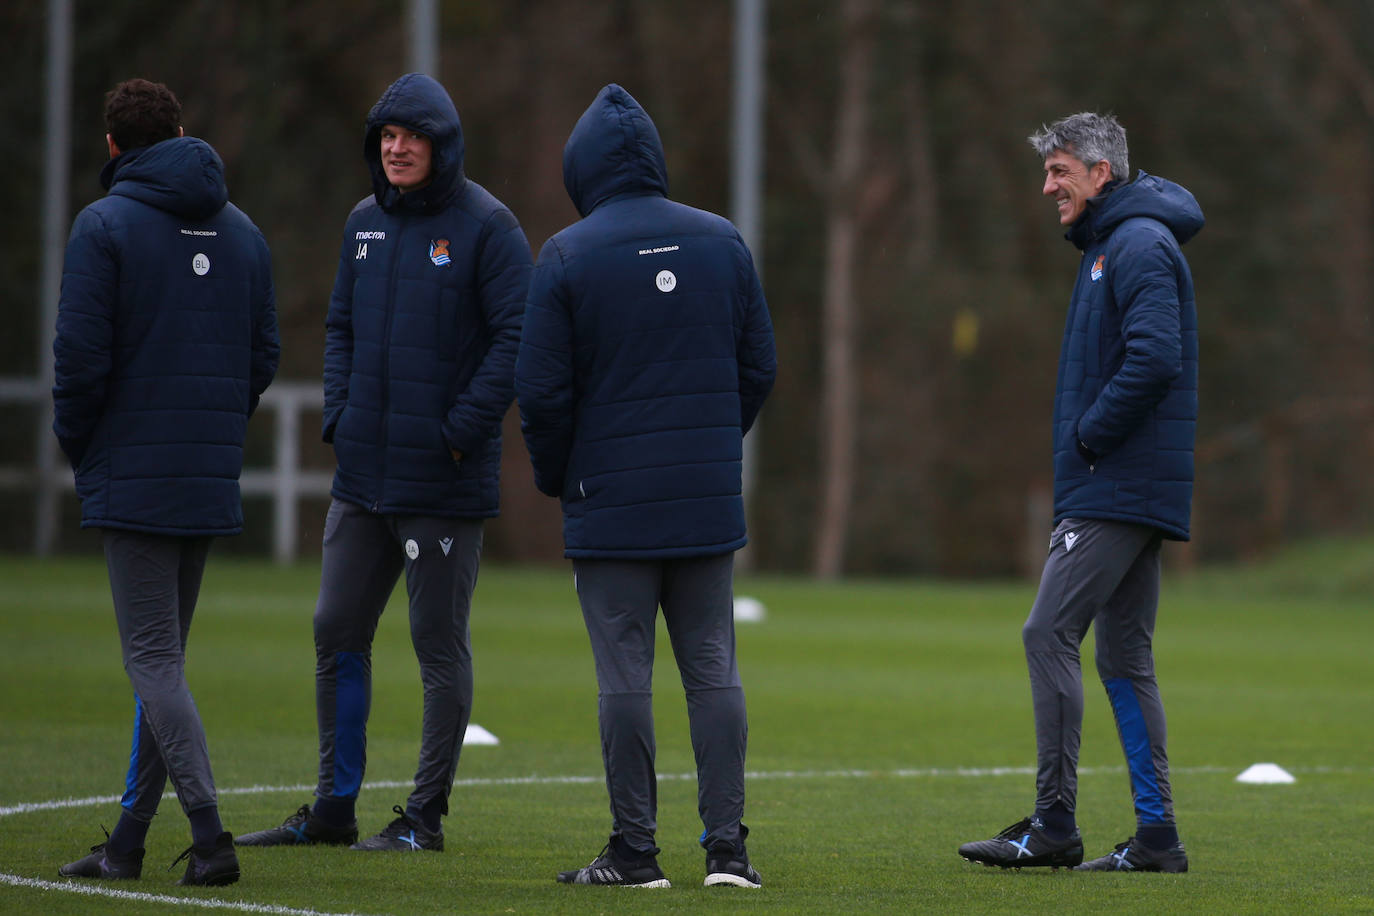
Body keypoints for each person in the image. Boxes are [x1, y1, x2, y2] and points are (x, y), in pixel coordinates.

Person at [234, 73, 530, 854]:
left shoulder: (490, 228)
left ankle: (423, 820)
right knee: (335, 629)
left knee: (437, 646)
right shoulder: (362, 223)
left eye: (411, 137)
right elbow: (339, 326)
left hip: (443, 478)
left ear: (442, 145)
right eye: (386, 137)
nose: (396, 149)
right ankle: (333, 810)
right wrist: (341, 414)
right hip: (363, 477)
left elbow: (515, 341)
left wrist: (459, 432)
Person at [515, 84, 777, 889]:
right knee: (713, 669)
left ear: (582, 169)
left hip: (610, 504)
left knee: (623, 676)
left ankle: (634, 854)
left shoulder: (564, 253)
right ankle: (728, 853)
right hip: (703, 500)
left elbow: (542, 392)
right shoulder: (722, 240)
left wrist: (562, 478)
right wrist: (704, 449)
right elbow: (758, 368)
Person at [958, 112, 1202, 873]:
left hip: (1114, 486)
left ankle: (1053, 825)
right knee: (1124, 660)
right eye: (1047, 171)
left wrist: (1091, 436)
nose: (1048, 187)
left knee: (1046, 634)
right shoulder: (1113, 245)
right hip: (1122, 485)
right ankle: (1157, 839)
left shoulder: (1136, 245)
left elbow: (1156, 357)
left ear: (1103, 173)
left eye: (1060, 171)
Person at [52, 78, 280, 887]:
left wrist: (82, 447)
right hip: (206, 471)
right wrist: (218, 429)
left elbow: (78, 362)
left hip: (135, 472)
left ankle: (212, 841)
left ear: (113, 147)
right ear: (180, 131)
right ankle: (127, 843)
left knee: (152, 662)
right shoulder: (244, 232)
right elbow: (264, 357)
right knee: (166, 661)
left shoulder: (103, 225)